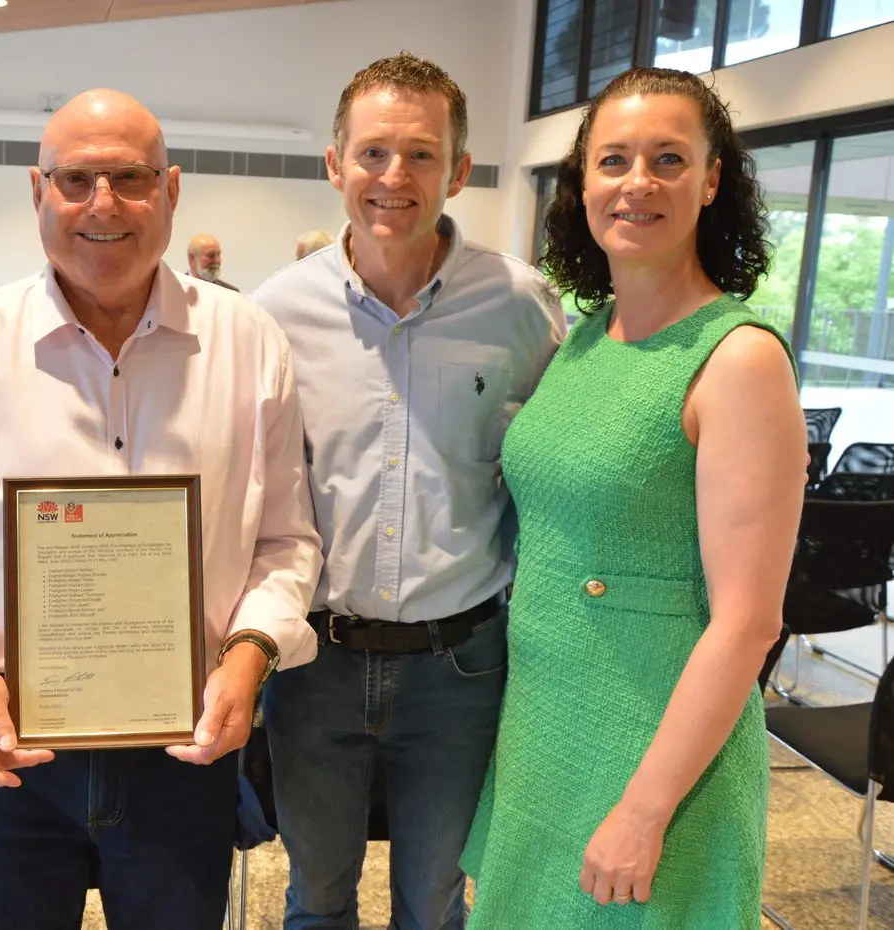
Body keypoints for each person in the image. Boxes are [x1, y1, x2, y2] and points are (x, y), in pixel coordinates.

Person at [0, 88, 322, 930]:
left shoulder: (247, 340)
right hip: (13, 747)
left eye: (129, 177)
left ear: (170, 189)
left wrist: (250, 653)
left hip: (186, 744)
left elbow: (285, 539)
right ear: (37, 190)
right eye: (77, 178)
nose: (103, 204)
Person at [461, 67, 806, 927]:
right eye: (613, 160)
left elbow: (748, 623)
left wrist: (644, 810)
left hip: (654, 751)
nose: (637, 183)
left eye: (668, 159)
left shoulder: (737, 359)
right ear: (582, 183)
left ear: (711, 179)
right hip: (545, 722)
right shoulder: (582, 340)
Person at [252, 52, 564, 930]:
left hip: (460, 665)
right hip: (314, 659)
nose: (394, 177)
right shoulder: (273, 316)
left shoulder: (522, 308)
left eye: (421, 155)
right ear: (334, 163)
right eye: (373, 153)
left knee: (433, 905)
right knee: (315, 900)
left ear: (458, 170)